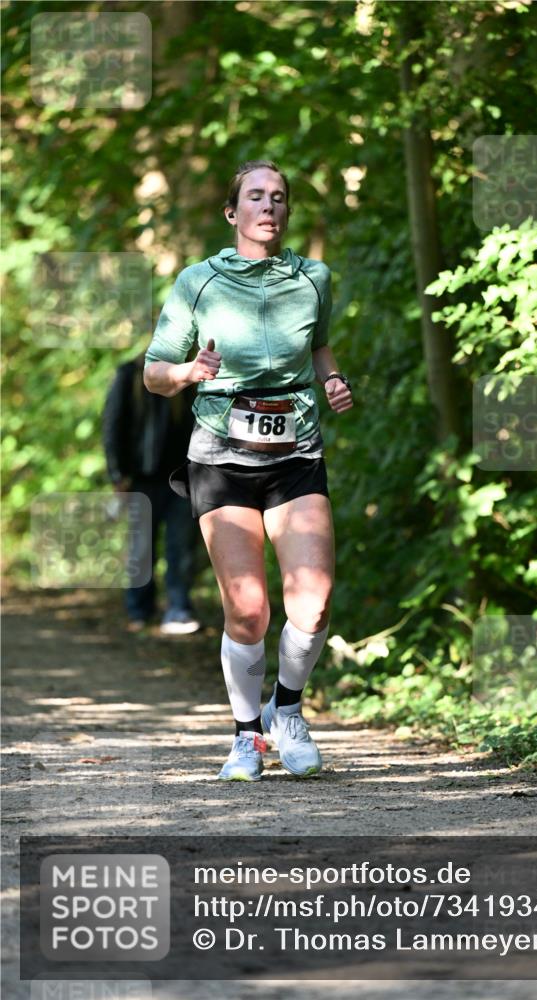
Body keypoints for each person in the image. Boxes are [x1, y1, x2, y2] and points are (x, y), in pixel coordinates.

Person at [143, 158, 353, 780]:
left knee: (312, 603)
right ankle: (244, 737)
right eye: (256, 197)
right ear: (233, 214)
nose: (269, 206)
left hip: (296, 455)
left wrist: (333, 378)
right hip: (220, 458)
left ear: (287, 213)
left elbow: (318, 345)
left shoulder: (314, 278)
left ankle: (285, 711)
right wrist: (189, 373)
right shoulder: (197, 282)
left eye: (280, 198)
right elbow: (156, 372)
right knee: (249, 609)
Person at [103, 353, 201, 635]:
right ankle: (139, 610)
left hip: (183, 478)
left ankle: (179, 609)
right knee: (140, 549)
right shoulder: (130, 374)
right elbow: (113, 425)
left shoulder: (192, 373)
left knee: (181, 547)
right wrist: (118, 475)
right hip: (141, 479)